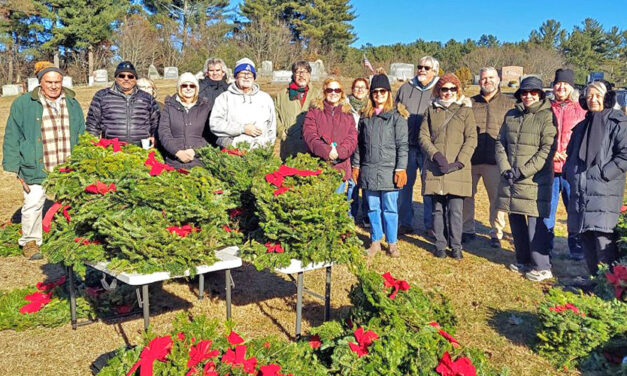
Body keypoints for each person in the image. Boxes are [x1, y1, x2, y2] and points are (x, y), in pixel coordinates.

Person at [2, 61, 85, 260]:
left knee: (71, 202)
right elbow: (12, 135)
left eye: (58, 81)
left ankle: (70, 236)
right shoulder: (23, 104)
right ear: (40, 83)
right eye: (49, 82)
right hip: (36, 164)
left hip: (66, 164)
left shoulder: (72, 103)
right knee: (33, 204)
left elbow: (82, 132)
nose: (54, 86)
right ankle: (30, 242)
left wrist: (82, 160)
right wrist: (15, 168)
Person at [496, 77, 556, 282]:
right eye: (524, 92)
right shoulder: (511, 115)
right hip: (511, 177)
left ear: (540, 94)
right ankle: (522, 258)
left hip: (534, 179)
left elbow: (546, 150)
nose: (528, 96)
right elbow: (500, 143)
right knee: (515, 215)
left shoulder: (547, 116)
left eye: (533, 92)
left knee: (534, 221)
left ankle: (542, 265)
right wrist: (505, 168)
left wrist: (523, 171)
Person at [563, 80, 627, 276]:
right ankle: (593, 280)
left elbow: (625, 154)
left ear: (607, 98)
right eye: (589, 96)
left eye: (598, 95)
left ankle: (610, 286)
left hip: (604, 191)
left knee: (603, 238)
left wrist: (604, 174)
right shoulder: (581, 126)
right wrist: (569, 172)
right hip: (581, 190)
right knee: (586, 237)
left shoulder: (618, 122)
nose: (593, 100)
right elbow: (571, 153)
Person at [418, 73, 477, 259]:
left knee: (456, 210)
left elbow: (471, 138)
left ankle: (456, 245)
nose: (448, 92)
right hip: (435, 166)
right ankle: (440, 244)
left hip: (457, 168)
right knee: (437, 209)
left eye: (452, 89)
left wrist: (460, 161)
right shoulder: (430, 111)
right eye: (445, 89)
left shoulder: (465, 111)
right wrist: (435, 155)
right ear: (439, 90)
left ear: (457, 90)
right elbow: (423, 136)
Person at [352, 72, 408, 258]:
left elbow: (402, 145)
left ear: (388, 93)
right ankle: (375, 240)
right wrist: (356, 166)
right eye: (375, 92)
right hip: (369, 169)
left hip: (389, 170)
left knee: (390, 208)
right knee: (373, 207)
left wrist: (401, 168)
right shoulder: (365, 117)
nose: (378, 95)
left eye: (382, 91)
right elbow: (359, 145)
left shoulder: (397, 117)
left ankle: (392, 242)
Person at [463, 67, 514, 248]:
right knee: (466, 196)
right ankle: (467, 229)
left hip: (495, 160)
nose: (487, 81)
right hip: (472, 158)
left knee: (496, 198)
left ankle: (496, 232)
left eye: (491, 78)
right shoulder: (470, 103)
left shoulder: (509, 104)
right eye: (484, 78)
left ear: (498, 79)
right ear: (479, 81)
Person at [395, 56, 439, 237]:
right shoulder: (405, 88)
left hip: (428, 148)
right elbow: (395, 112)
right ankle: (405, 222)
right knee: (404, 186)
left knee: (429, 187)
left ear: (434, 71)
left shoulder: (439, 89)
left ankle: (431, 225)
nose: (422, 70)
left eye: (426, 68)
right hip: (407, 146)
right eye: (420, 67)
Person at [545, 68, 587, 260]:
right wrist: (552, 152)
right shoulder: (546, 108)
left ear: (571, 87)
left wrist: (569, 155)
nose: (561, 87)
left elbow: (585, 138)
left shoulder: (581, 110)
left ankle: (576, 246)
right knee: (547, 209)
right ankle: (546, 244)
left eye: (565, 84)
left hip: (572, 168)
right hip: (550, 169)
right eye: (558, 83)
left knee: (574, 209)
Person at [303, 77, 358, 195]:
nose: (333, 93)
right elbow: (310, 135)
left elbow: (352, 139)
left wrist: (339, 152)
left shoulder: (348, 115)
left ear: (342, 93)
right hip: (319, 167)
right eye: (330, 90)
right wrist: (327, 151)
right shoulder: (314, 112)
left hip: (340, 169)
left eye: (337, 90)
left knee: (340, 209)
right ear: (324, 92)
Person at [86, 61, 160, 146]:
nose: (126, 78)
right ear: (115, 77)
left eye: (130, 76)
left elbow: (156, 123)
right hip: (112, 151)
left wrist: (155, 137)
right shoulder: (102, 96)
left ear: (135, 79)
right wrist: (93, 146)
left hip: (141, 150)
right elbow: (92, 125)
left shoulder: (147, 98)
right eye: (122, 75)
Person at [210, 58, 276, 149]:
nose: (246, 77)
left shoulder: (265, 98)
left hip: (259, 154)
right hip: (233, 153)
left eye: (249, 74)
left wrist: (267, 148)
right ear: (236, 76)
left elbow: (271, 128)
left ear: (254, 77)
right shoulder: (224, 98)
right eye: (242, 73)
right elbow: (215, 124)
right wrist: (242, 129)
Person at [158, 72, 212, 169]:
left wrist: (195, 151)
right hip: (174, 161)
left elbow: (208, 135)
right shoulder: (169, 106)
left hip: (199, 161)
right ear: (179, 88)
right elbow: (164, 132)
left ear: (196, 88)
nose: (188, 88)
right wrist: (177, 152)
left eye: (192, 85)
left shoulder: (205, 107)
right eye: (184, 85)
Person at [276, 61, 319, 159]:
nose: (301, 75)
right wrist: (281, 131)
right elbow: (274, 114)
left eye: (305, 72)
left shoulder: (318, 94)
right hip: (289, 146)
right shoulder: (282, 94)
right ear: (293, 74)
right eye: (298, 72)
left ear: (309, 75)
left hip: (311, 147)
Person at [347, 78, 370, 223]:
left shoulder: (371, 106)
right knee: (352, 182)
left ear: (367, 90)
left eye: (363, 87)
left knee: (367, 182)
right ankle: (351, 214)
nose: (359, 90)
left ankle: (367, 214)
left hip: (367, 147)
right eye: (356, 87)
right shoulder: (346, 106)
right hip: (350, 147)